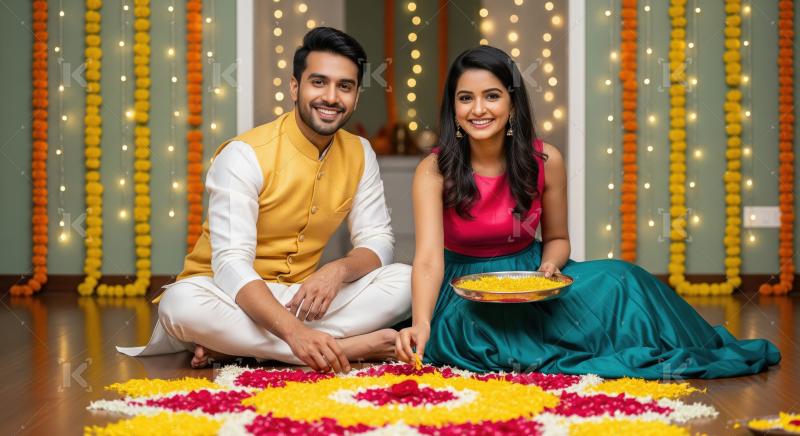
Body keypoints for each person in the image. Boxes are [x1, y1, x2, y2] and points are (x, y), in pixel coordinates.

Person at [395, 45, 781, 379]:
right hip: (466, 292)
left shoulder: (546, 159)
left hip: (532, 280)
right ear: (453, 106)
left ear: (512, 103)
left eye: (492, 96)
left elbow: (559, 239)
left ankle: (683, 345)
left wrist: (549, 268)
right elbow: (428, 260)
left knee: (622, 278)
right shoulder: (435, 170)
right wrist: (422, 323)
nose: (478, 109)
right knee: (478, 336)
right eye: (466, 98)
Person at [119, 27, 411, 372]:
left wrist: (337, 270)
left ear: (356, 96)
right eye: (318, 82)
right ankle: (341, 348)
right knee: (179, 304)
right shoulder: (244, 154)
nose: (331, 97)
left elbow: (378, 240)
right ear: (294, 86)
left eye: (344, 86)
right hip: (230, 297)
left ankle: (239, 349)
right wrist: (294, 333)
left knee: (406, 280)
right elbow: (230, 265)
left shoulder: (360, 152)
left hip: (300, 298)